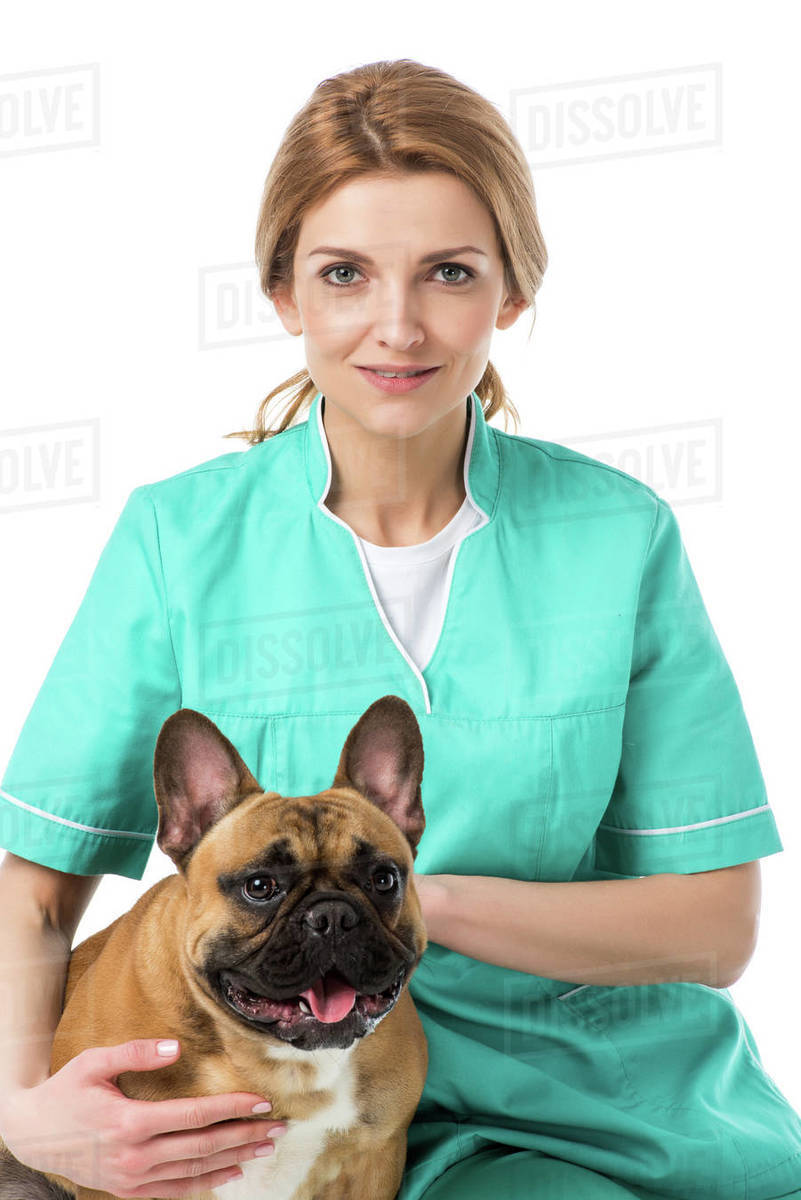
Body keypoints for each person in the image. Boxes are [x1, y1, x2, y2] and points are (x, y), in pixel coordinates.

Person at [1, 57, 800, 1200]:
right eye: (345, 274)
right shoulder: (176, 540)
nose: (397, 325)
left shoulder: (621, 537)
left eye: (449, 273)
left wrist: (409, 902)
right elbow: (33, 890)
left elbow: (717, 927)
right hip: (247, 1111)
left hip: (572, 1102)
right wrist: (28, 1113)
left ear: (510, 293)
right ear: (283, 294)